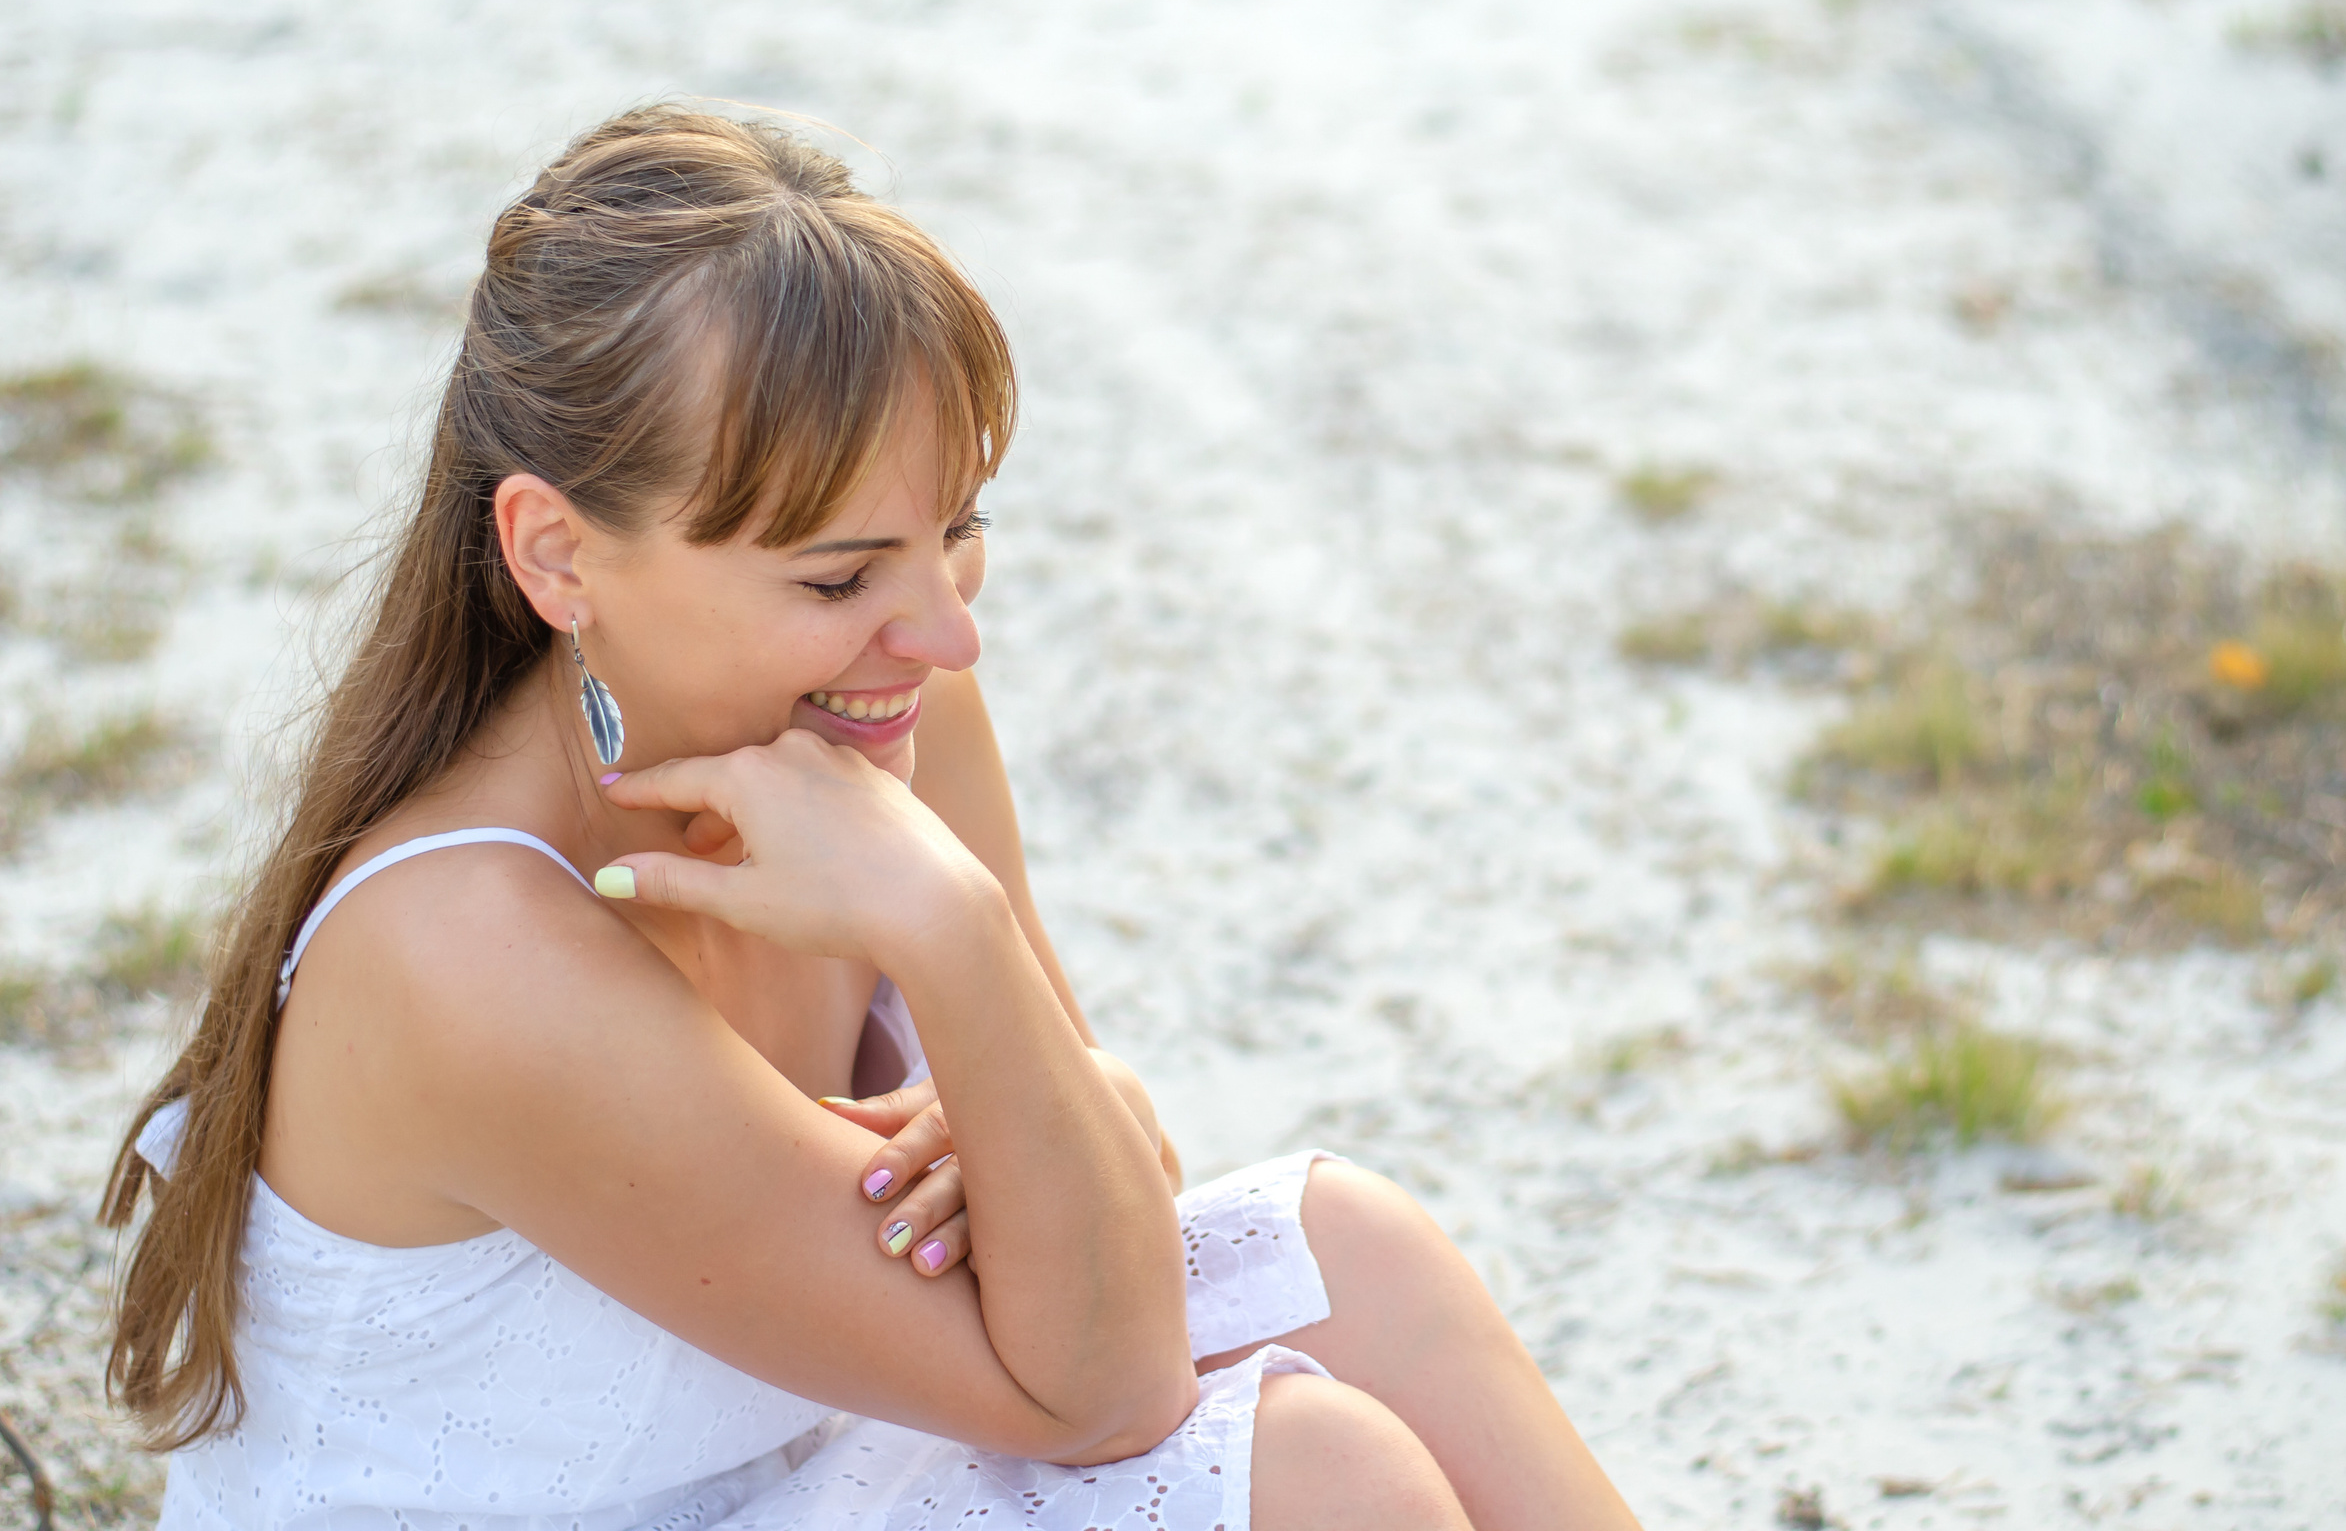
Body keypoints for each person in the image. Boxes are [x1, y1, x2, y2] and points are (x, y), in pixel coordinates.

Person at [102, 104, 1643, 1531]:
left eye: (954, 532)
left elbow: (1109, 1198)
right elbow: (1105, 1381)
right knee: (1322, 1482)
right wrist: (957, 943)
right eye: (839, 578)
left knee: (1350, 1250)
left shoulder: (881, 719)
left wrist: (1037, 1096)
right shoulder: (469, 955)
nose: (945, 635)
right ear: (558, 556)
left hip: (779, 1464)